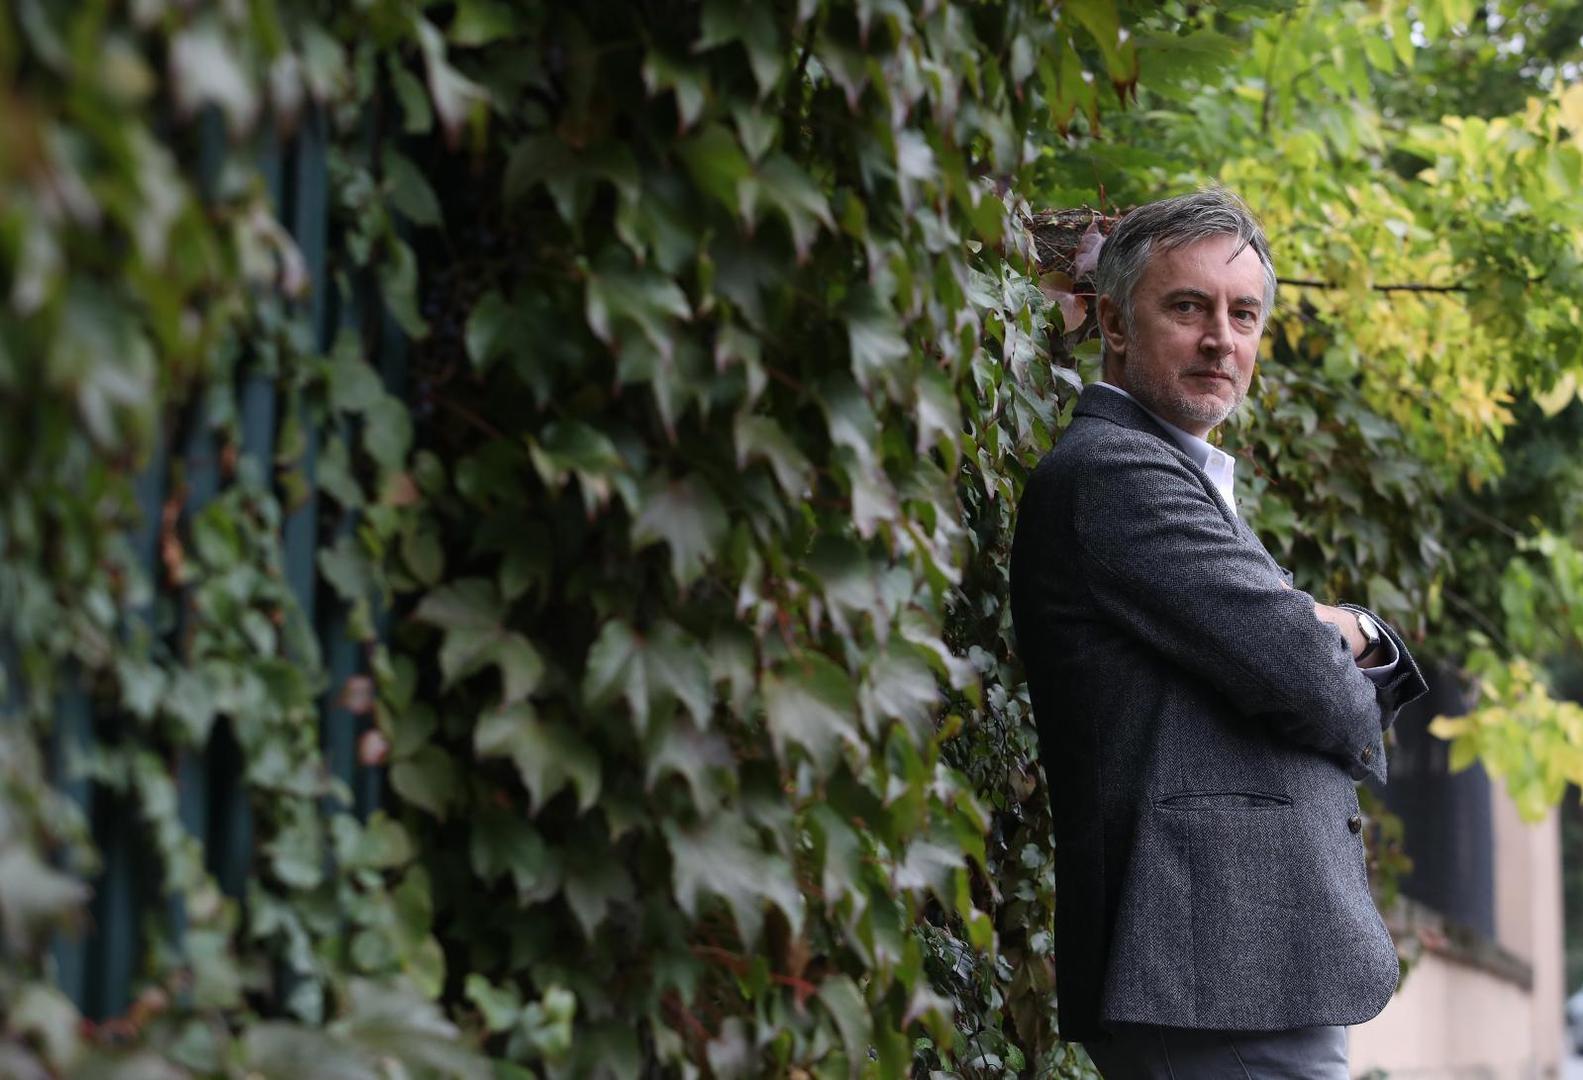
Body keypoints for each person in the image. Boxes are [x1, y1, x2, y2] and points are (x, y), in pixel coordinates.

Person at [1008, 189, 1429, 1077]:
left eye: (1242, 315)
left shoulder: (1172, 474)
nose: (1220, 340)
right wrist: (1352, 626)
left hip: (1234, 964)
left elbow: (1285, 652)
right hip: (1206, 969)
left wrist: (1319, 631)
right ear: (1114, 323)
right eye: (1187, 307)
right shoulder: (1115, 473)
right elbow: (1306, 677)